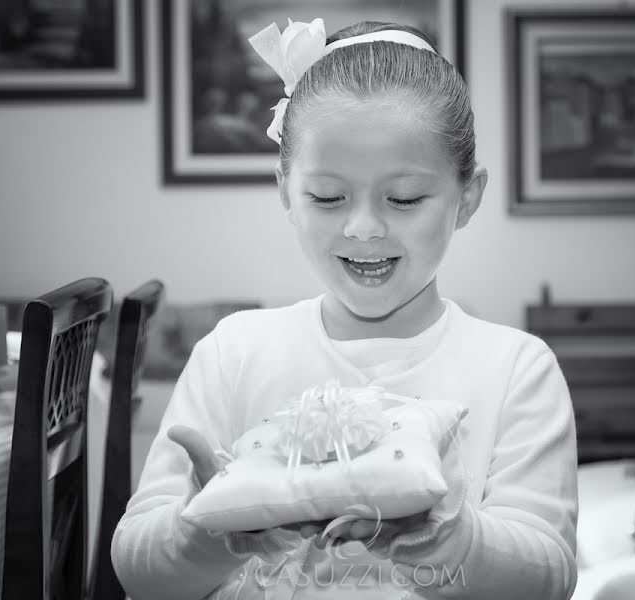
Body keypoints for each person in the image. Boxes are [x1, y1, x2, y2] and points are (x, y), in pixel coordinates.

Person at [111, 17, 578, 600]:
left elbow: (548, 576)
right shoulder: (234, 353)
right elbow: (136, 569)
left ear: (467, 197)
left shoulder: (516, 369)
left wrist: (444, 537)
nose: (363, 228)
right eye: (328, 197)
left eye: (404, 198)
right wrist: (208, 530)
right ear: (286, 192)